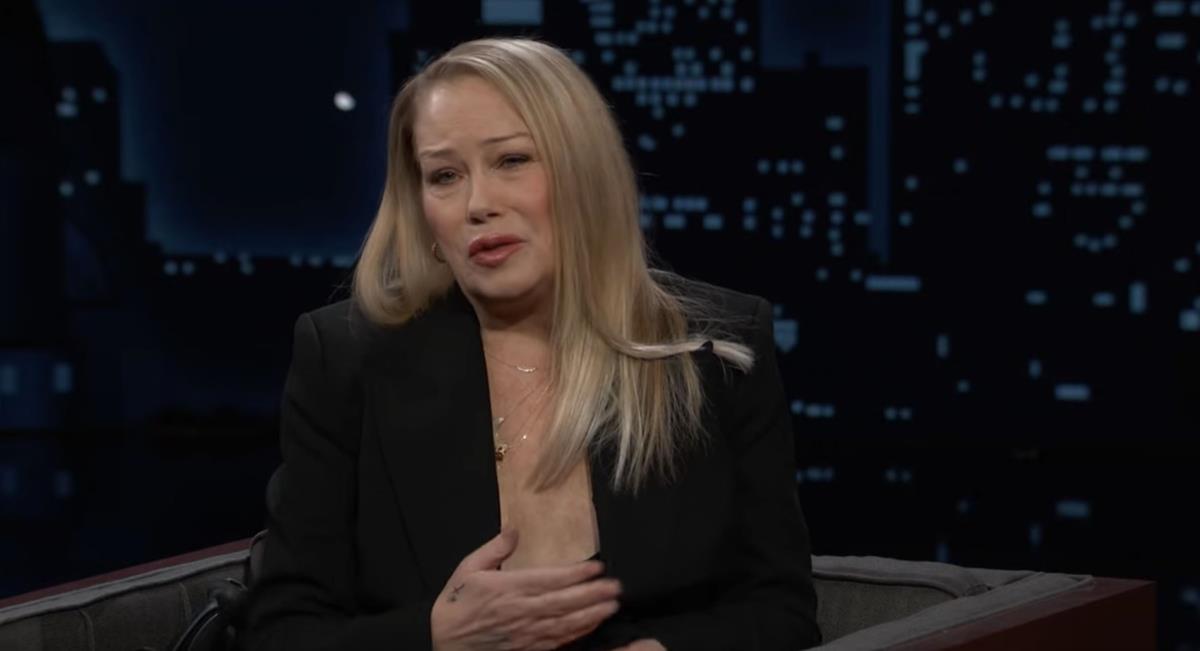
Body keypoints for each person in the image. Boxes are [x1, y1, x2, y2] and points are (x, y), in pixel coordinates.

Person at [242, 37, 820, 651]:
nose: (478, 204)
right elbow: (280, 630)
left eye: (512, 160)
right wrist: (435, 636)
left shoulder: (718, 350)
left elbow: (782, 613)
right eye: (444, 176)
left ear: (583, 174)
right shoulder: (347, 359)